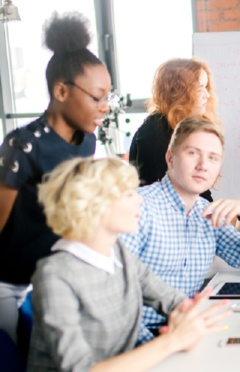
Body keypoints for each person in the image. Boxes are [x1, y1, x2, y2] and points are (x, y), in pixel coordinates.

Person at [28, 157, 231, 371]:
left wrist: (188, 317)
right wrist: (172, 341)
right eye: (128, 194)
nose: (139, 201)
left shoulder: (117, 252)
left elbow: (169, 298)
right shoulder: (54, 275)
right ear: (95, 206)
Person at [0, 12, 110, 344]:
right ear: (61, 90)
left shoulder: (88, 142)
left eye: (108, 96)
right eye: (96, 97)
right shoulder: (23, 145)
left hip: (54, 275)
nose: (104, 107)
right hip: (10, 282)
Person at [120, 116, 240, 343]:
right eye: (193, 153)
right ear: (170, 158)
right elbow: (117, 295)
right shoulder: (139, 207)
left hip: (186, 331)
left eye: (213, 158)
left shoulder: (207, 213)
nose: (203, 165)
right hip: (141, 338)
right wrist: (158, 345)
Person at [129, 58, 218, 202]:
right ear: (179, 91)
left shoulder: (181, 127)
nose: (207, 95)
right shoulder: (155, 133)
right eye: (200, 88)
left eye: (206, 88)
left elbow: (197, 191)